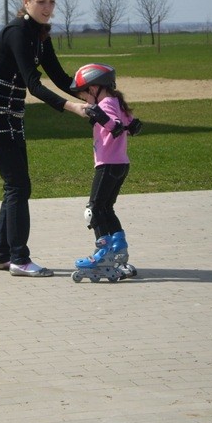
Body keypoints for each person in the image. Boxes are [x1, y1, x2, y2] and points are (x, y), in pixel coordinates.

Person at [0, 0, 90, 277]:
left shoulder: (40, 36)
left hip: (12, 118)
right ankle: (19, 260)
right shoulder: (17, 33)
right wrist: (73, 107)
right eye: (41, 1)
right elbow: (34, 85)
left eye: (52, 2)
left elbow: (61, 78)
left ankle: (2, 255)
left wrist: (93, 94)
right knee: (18, 185)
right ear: (26, 1)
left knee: (16, 185)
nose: (47, 7)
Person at [69, 63, 142, 280]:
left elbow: (116, 126)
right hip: (120, 164)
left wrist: (99, 115)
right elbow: (132, 126)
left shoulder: (106, 104)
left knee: (93, 210)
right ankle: (119, 250)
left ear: (93, 88)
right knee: (106, 208)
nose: (84, 100)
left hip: (108, 164)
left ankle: (103, 255)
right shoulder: (116, 101)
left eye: (84, 95)